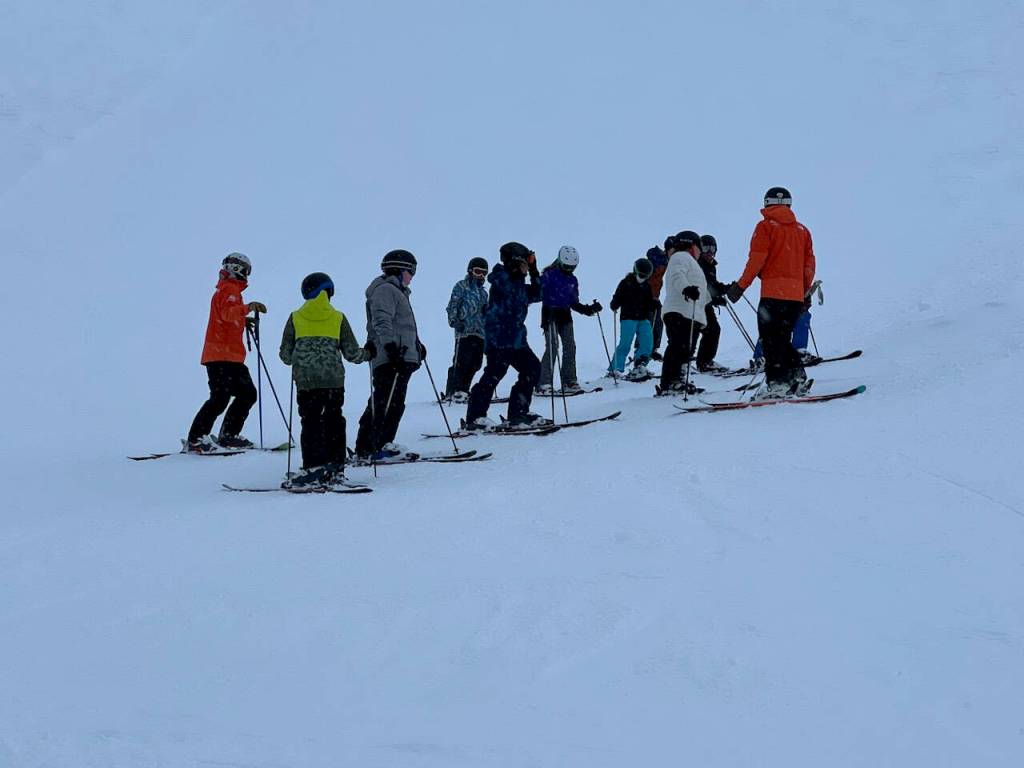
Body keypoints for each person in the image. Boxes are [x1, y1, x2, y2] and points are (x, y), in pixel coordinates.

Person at [278, 272, 374, 487]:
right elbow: (352, 354)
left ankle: (314, 467)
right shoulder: (338, 317)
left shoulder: (295, 317)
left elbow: (285, 356)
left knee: (310, 422)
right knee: (334, 420)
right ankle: (336, 467)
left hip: (306, 382)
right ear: (329, 291)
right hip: (333, 380)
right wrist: (369, 353)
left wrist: (302, 358)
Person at [726, 186, 816, 399]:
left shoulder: (765, 227)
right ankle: (796, 377)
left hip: (773, 294)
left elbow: (757, 259)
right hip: (794, 297)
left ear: (766, 203)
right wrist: (804, 292)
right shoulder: (802, 231)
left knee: (770, 340)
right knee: (783, 338)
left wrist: (741, 286)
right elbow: (809, 264)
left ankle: (777, 384)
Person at [186, 252, 267, 452]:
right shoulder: (229, 289)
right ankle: (196, 439)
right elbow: (228, 313)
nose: (247, 275)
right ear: (238, 269)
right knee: (221, 397)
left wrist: (243, 319)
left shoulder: (229, 290)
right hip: (221, 355)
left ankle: (228, 435)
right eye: (246, 271)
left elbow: (228, 317)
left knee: (247, 394)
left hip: (230, 356)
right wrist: (247, 308)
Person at [464, 242, 545, 430]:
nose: (526, 268)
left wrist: (534, 270)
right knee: (493, 375)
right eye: (524, 264)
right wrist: (525, 272)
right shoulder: (501, 279)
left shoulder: (518, 284)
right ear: (515, 262)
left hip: (516, 341)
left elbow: (539, 293)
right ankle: (475, 418)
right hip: (499, 340)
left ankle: (518, 413)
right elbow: (514, 289)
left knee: (532, 369)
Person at [354, 249, 424, 460]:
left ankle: (382, 443)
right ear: (399, 270)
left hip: (401, 356)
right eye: (411, 272)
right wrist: (391, 348)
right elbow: (382, 321)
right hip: (391, 357)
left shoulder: (398, 292)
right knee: (385, 400)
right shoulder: (386, 290)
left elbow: (403, 325)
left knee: (394, 402)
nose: (412, 277)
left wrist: (417, 346)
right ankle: (369, 447)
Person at [537, 245, 601, 395]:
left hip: (565, 315)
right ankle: (543, 383)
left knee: (570, 346)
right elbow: (538, 291)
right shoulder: (549, 274)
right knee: (553, 346)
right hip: (550, 314)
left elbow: (573, 302)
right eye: (566, 266)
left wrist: (588, 309)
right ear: (559, 261)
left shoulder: (572, 279)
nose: (569, 270)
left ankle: (569, 381)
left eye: (572, 267)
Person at [659, 231, 709, 394]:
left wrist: (711, 299)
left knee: (686, 348)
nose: (700, 252)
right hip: (679, 310)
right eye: (699, 247)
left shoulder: (692, 262)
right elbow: (676, 275)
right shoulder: (680, 257)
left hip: (690, 312)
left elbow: (699, 288)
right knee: (678, 345)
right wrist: (686, 289)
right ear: (691, 245)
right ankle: (669, 382)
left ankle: (679, 379)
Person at [444, 257, 489, 402]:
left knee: (476, 362)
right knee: (461, 361)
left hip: (479, 332)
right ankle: (454, 390)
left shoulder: (483, 293)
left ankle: (464, 389)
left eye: (484, 273)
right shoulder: (462, 286)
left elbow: (485, 312)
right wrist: (454, 320)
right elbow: (453, 305)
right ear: (470, 271)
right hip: (464, 330)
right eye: (477, 272)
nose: (480, 276)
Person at [609, 256, 657, 380]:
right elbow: (618, 296)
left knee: (647, 342)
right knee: (625, 343)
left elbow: (648, 302)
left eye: (645, 276)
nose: (642, 278)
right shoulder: (626, 283)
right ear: (635, 271)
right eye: (640, 275)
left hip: (643, 318)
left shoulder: (647, 286)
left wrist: (654, 304)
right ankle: (616, 368)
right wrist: (614, 304)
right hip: (628, 318)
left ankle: (640, 364)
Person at [694, 234, 730, 373]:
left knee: (712, 330)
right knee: (710, 330)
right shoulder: (699, 265)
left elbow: (713, 285)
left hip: (706, 304)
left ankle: (704, 361)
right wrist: (716, 297)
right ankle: (704, 362)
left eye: (712, 248)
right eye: (706, 248)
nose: (709, 252)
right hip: (697, 304)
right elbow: (703, 287)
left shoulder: (710, 267)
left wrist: (727, 288)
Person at [642, 245, 668, 360]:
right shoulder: (649, 271)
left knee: (658, 323)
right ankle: (642, 350)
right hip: (646, 303)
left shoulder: (659, 273)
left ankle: (653, 349)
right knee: (647, 325)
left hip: (655, 301)